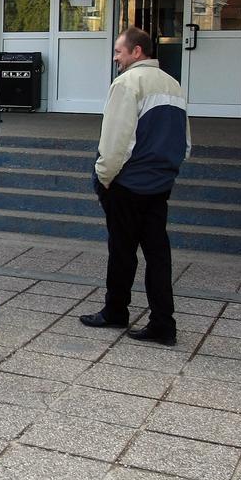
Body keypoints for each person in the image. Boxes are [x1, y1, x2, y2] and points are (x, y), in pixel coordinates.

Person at [79, 28, 190, 346]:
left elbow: (116, 140)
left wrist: (103, 176)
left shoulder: (127, 83)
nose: (116, 58)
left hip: (127, 183)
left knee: (122, 251)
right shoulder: (173, 85)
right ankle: (163, 323)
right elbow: (184, 140)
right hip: (160, 183)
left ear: (137, 51)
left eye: (119, 51)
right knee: (158, 254)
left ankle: (116, 311)